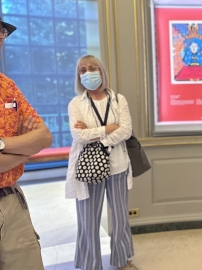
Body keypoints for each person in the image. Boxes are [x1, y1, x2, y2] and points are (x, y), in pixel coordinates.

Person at [0, 0, 53, 269]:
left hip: (13, 203)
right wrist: (24, 149)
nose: (0, 35)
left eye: (1, 30)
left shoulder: (4, 85)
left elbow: (44, 136)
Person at [65, 54, 138, 270]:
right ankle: (90, 264)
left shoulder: (118, 100)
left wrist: (95, 135)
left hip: (118, 166)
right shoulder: (76, 103)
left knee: (120, 216)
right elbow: (78, 136)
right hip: (88, 167)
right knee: (88, 219)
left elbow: (125, 131)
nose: (87, 73)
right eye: (82, 70)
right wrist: (108, 129)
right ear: (79, 75)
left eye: (92, 67)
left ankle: (122, 259)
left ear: (101, 70)